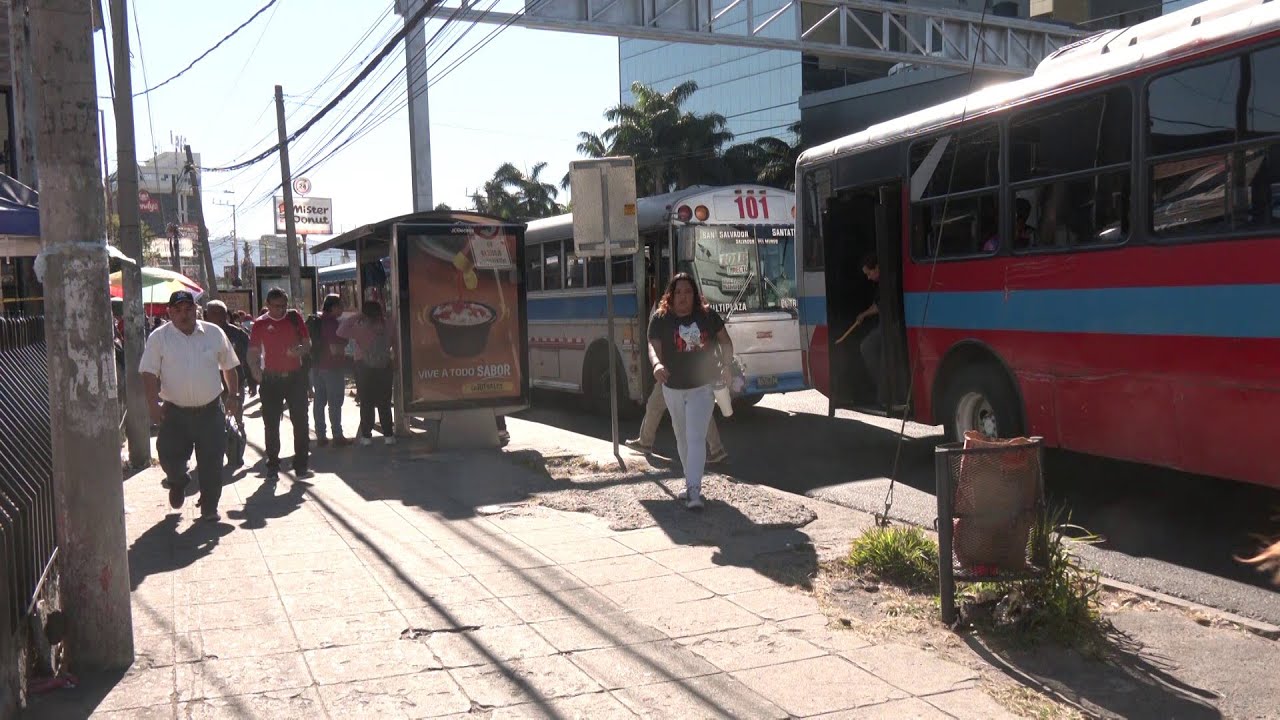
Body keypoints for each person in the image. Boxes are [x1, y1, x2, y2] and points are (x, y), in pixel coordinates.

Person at [139, 290, 240, 521]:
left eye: (188, 309)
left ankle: (210, 507)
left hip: (210, 411)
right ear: (169, 313)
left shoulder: (213, 333)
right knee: (168, 456)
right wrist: (153, 405)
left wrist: (234, 395)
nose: (184, 315)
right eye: (178, 310)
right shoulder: (159, 338)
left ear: (196, 310)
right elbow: (148, 373)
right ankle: (177, 481)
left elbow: (229, 366)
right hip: (175, 413)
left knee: (212, 462)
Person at [647, 273, 734, 511]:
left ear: (695, 295)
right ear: (671, 296)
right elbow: (653, 346)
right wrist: (656, 364)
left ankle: (694, 490)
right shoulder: (661, 318)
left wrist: (727, 366)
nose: (683, 297)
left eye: (687, 292)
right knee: (681, 436)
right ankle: (690, 481)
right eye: (678, 292)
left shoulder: (707, 316)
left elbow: (725, 342)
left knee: (695, 436)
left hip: (702, 387)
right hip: (672, 387)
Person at [248, 288, 314, 482]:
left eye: (284, 306)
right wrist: (254, 369)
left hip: (295, 378)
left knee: (301, 422)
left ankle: (301, 465)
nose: (281, 310)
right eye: (276, 306)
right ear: (267, 305)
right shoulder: (260, 324)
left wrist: (298, 351)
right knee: (271, 424)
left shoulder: (294, 318)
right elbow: (253, 351)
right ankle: (273, 464)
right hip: (271, 380)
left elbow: (307, 343)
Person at [625, 383, 729, 464]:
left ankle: (645, 442)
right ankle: (717, 448)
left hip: (673, 373)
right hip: (686, 373)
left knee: (655, 404)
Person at [338, 300, 394, 446]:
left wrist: (358, 315)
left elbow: (341, 331)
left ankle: (367, 436)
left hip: (364, 367)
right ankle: (388, 435)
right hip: (384, 366)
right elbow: (395, 342)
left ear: (365, 314)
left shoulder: (360, 328)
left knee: (366, 402)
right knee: (385, 402)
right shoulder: (389, 325)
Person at [307, 294, 351, 447]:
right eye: (341, 306)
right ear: (333, 307)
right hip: (332, 367)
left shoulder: (318, 321)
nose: (343, 309)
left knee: (319, 401)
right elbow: (334, 348)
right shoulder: (332, 324)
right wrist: (345, 344)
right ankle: (337, 435)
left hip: (316, 366)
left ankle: (320, 435)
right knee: (335, 402)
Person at [203, 300, 250, 430]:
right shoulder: (199, 335)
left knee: (236, 414)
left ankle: (239, 432)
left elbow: (248, 357)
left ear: (226, 315)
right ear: (206, 315)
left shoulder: (238, 334)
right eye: (214, 313)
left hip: (235, 383)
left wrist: (251, 381)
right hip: (211, 386)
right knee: (215, 422)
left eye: (221, 313)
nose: (218, 316)